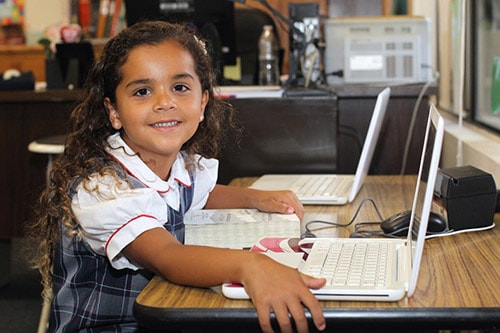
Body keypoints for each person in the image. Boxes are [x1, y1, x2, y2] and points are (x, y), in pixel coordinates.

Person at [26, 21, 326, 333]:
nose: (165, 102)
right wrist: (251, 265)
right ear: (114, 111)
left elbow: (201, 194)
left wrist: (256, 197)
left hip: (166, 315)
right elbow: (168, 257)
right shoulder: (102, 187)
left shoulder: (180, 165)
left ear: (202, 103)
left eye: (180, 88)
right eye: (143, 91)